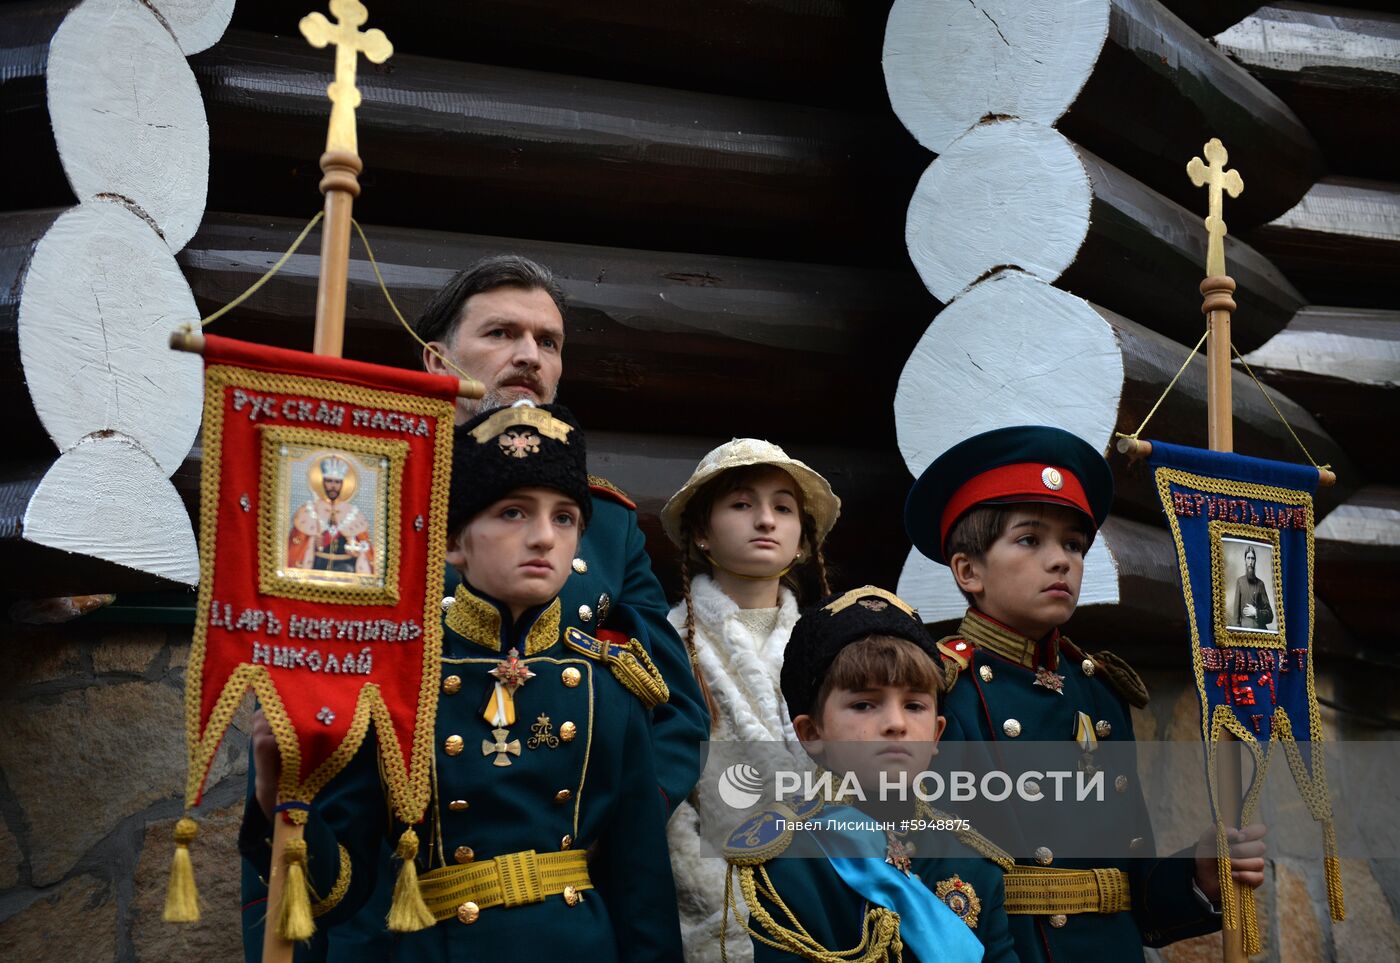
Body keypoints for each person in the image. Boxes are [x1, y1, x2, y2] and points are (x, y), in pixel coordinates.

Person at [241, 402, 684, 960]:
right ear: (453, 544)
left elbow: (643, 890)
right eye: (513, 513)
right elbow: (335, 896)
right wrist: (279, 799)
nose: (544, 537)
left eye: (564, 517)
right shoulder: (391, 690)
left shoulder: (609, 690)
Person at [903, 424, 1267, 962]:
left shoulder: (1097, 691)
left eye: (1074, 544)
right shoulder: (934, 691)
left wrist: (1199, 874)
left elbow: (1131, 892)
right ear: (968, 570)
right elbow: (924, 886)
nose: (1062, 560)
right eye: (1030, 540)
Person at [416, 255, 709, 812]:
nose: (528, 356)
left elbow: (676, 711)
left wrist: (620, 820)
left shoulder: (609, 524)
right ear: (438, 361)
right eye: (501, 333)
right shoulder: (381, 502)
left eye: (548, 343)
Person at [723, 585, 1019, 962]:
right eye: (864, 704)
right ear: (812, 733)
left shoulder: (972, 859)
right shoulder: (791, 862)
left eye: (914, 705)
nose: (896, 724)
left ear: (936, 735)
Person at [657, 438, 841, 962]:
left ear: (802, 541)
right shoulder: (669, 645)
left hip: (832, 886)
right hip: (727, 902)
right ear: (702, 534)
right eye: (742, 504)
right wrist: (719, 903)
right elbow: (673, 807)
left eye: (783, 508)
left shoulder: (833, 644)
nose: (765, 520)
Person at [286, 454, 374, 574]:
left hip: (346, 568)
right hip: (316, 567)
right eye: (329, 481)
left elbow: (366, 550)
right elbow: (296, 548)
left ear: (343, 484)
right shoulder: (310, 510)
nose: (333, 486)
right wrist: (312, 543)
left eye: (337, 482)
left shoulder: (353, 513)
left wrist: (356, 550)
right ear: (323, 482)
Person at [1233, 545, 1273, 630]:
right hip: (1245, 635)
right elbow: (1236, 618)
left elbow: (1270, 616)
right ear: (1245, 560)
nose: (1250, 562)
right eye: (1248, 558)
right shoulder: (1240, 582)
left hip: (1261, 633)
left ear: (1255, 561)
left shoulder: (1260, 584)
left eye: (1252, 558)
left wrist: (1256, 612)